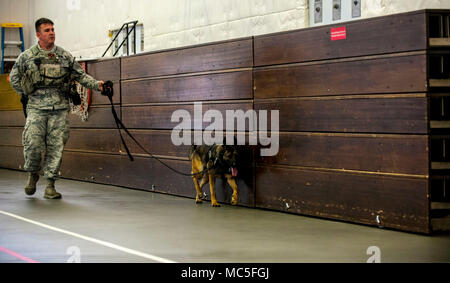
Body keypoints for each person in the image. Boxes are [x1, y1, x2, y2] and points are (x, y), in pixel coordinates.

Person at [9, 18, 104, 199]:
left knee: (56, 146)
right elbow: (14, 79)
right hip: (36, 108)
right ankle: (32, 174)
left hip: (59, 108)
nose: (51, 33)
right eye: (46, 30)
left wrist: (98, 85)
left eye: (52, 29)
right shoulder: (27, 57)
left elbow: (81, 76)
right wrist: (27, 92)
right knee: (33, 144)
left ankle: (50, 184)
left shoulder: (64, 56)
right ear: (38, 34)